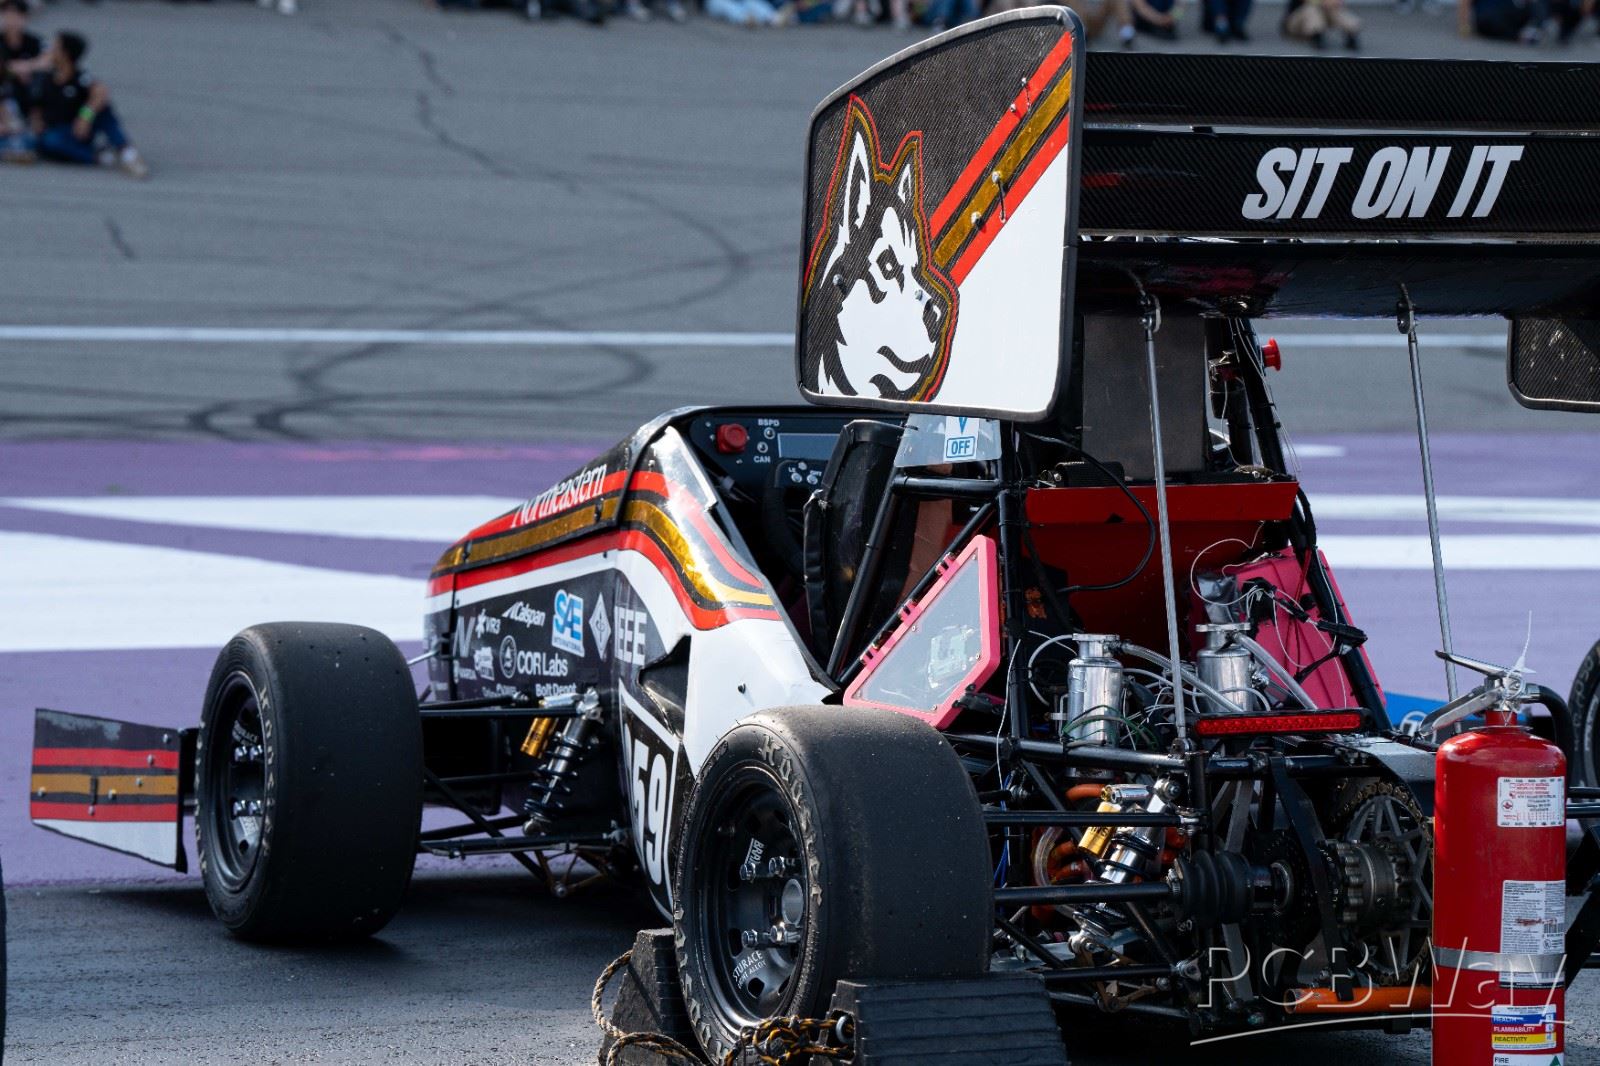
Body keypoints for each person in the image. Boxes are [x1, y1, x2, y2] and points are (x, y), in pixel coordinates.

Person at [28, 32, 147, 177]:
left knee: (104, 110)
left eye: (55, 47)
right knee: (49, 141)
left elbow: (101, 92)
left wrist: (85, 116)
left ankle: (127, 153)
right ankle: (100, 157)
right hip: (61, 131)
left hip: (83, 128)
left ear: (65, 54)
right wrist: (36, 122)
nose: (50, 50)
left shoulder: (80, 77)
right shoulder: (45, 78)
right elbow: (36, 106)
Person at [0, 0, 42, 152]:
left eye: (16, 15)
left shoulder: (33, 42)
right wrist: (13, 69)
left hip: (27, 94)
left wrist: (28, 66)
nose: (12, 20)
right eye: (8, 15)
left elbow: (51, 60)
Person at [1282, 0, 1361, 46]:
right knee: (1311, 9)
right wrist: (1323, 3)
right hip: (1295, 22)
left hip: (1321, 18)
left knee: (1334, 11)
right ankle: (1316, 35)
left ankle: (1351, 30)